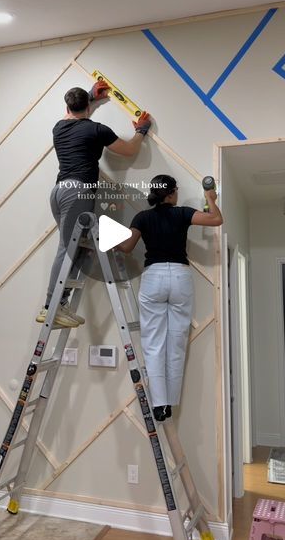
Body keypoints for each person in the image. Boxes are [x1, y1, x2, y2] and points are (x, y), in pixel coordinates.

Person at [36, 81, 151, 327]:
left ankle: (61, 303)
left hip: (59, 192)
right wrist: (142, 130)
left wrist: (90, 97)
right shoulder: (97, 130)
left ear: (68, 105)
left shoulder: (59, 128)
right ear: (86, 107)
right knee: (67, 247)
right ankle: (51, 306)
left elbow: (73, 115)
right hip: (78, 192)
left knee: (81, 247)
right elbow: (130, 150)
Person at [117, 174, 223, 421]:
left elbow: (127, 247)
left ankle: (159, 404)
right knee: (176, 342)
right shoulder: (182, 213)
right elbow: (216, 219)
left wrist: (109, 236)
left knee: (154, 343)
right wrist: (210, 197)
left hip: (153, 277)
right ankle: (169, 404)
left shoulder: (142, 217)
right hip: (179, 277)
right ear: (172, 193)